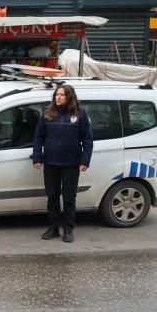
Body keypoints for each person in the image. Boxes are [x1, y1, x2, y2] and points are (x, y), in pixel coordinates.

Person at [32, 84, 94, 243]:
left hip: (71, 164)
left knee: (69, 198)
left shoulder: (80, 115)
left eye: (62, 95)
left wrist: (84, 160)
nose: (58, 97)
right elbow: (38, 138)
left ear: (69, 97)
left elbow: (87, 140)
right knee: (52, 197)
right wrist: (38, 158)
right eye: (56, 95)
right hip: (51, 163)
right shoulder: (47, 113)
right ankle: (53, 228)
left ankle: (68, 229)